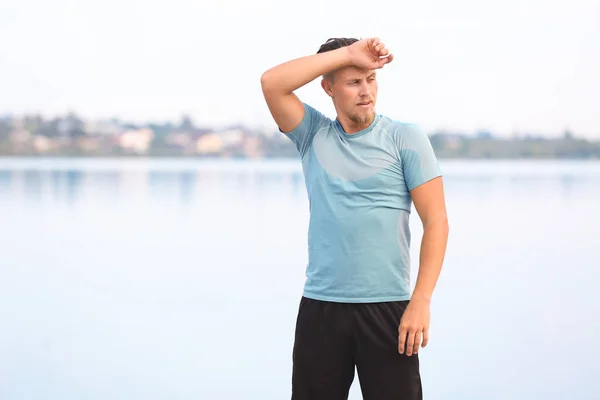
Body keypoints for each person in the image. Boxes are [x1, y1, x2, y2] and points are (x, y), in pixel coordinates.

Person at [260, 37, 449, 400]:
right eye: (353, 82)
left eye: (371, 80)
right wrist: (346, 53)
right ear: (327, 87)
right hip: (321, 308)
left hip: (389, 309)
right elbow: (272, 83)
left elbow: (437, 222)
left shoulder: (404, 138)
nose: (366, 92)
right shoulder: (312, 135)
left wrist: (421, 301)